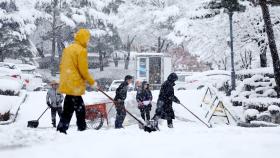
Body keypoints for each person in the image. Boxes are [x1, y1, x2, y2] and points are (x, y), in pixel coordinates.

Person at [57, 28, 96, 134]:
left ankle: (62, 129)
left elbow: (62, 66)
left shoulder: (68, 49)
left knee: (69, 108)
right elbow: (83, 70)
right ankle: (81, 129)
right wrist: (92, 82)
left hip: (67, 82)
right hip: (75, 83)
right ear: (83, 39)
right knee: (79, 108)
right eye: (88, 39)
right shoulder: (81, 50)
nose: (88, 41)